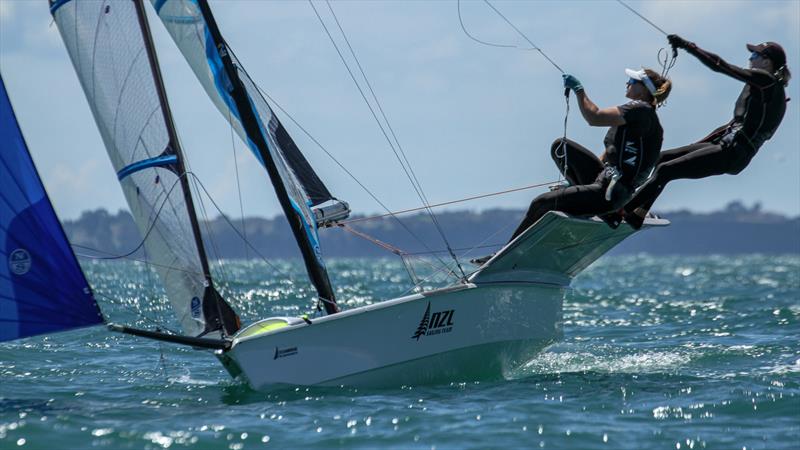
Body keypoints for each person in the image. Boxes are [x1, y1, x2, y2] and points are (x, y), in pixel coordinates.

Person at [623, 37, 791, 229]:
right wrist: (696, 147)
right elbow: (731, 126)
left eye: (754, 55)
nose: (750, 59)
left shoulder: (767, 83)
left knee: (665, 170)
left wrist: (689, 47)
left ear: (767, 62)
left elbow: (721, 66)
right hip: (724, 145)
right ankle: (637, 214)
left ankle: (620, 210)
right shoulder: (759, 86)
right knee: (663, 159)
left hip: (734, 153)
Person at [506, 68, 672, 242]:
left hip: (610, 194)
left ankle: (505, 254)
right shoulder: (643, 115)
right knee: (561, 147)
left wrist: (579, 90)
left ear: (644, 88)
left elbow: (594, 117)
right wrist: (572, 183)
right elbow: (611, 153)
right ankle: (609, 211)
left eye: (632, 81)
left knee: (541, 203)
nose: (627, 83)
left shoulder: (640, 109)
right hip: (609, 184)